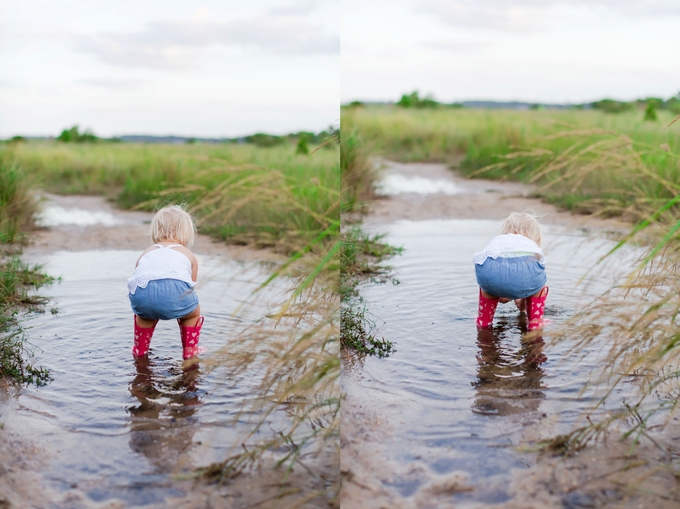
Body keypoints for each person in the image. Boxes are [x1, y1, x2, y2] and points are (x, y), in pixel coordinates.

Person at [127, 205, 204, 359]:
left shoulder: (147, 252)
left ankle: (140, 349)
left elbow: (137, 276)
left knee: (145, 315)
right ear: (186, 232)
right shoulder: (187, 254)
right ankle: (190, 350)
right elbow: (191, 285)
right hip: (177, 295)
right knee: (192, 313)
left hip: (142, 297)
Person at [473, 212, 548, 330]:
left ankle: (483, 321)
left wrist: (504, 295)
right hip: (526, 277)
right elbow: (531, 277)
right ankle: (535, 322)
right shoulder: (531, 246)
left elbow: (502, 278)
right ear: (536, 236)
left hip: (491, 275)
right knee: (539, 282)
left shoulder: (498, 241)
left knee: (486, 281)